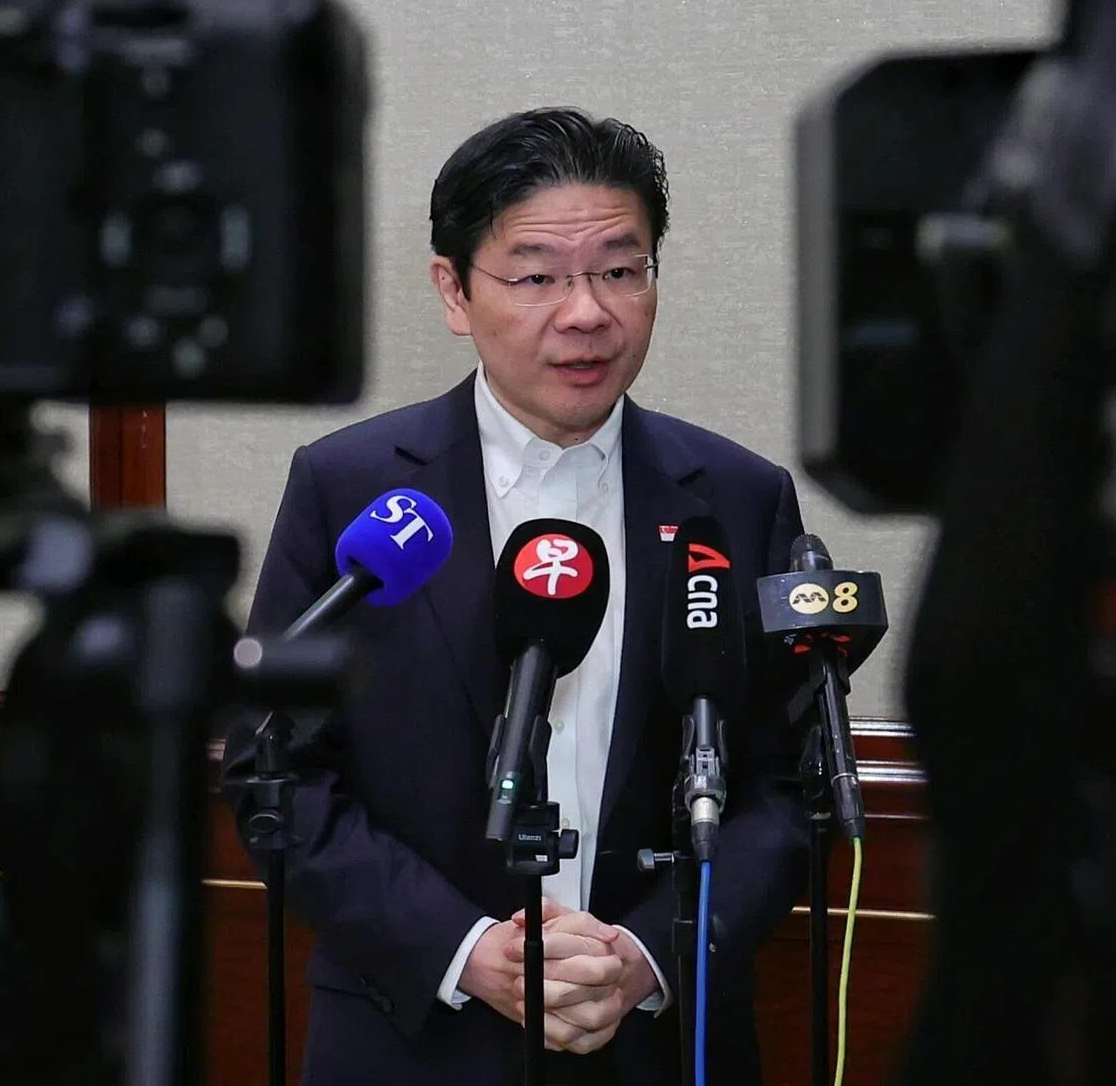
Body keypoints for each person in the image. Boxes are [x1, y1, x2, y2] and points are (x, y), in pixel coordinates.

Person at [221, 107, 809, 1086]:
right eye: (536, 278)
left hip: (656, 1042)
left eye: (620, 270)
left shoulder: (740, 499)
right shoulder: (354, 489)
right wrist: (465, 951)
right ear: (454, 291)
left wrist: (648, 955)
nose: (586, 313)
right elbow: (276, 772)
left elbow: (785, 787)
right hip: (412, 1040)